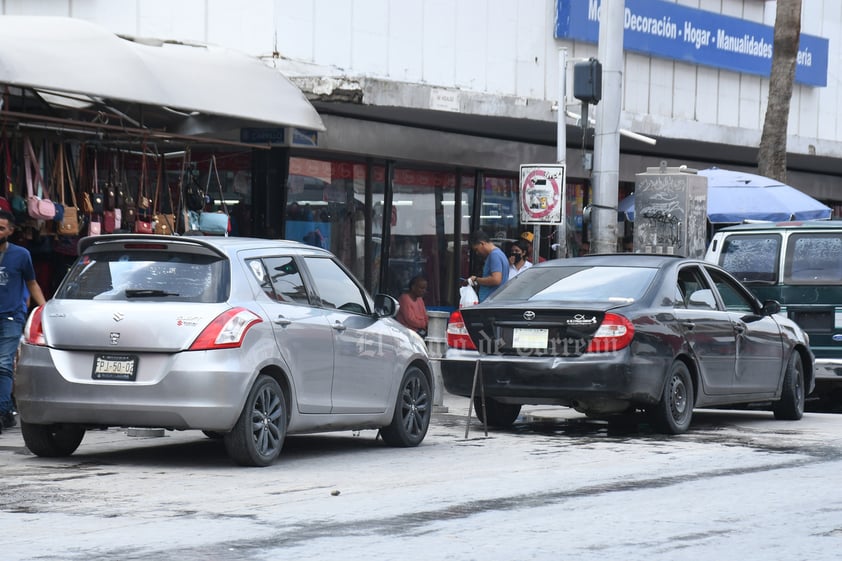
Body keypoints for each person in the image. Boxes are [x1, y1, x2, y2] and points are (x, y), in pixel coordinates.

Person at [0, 210, 46, 434]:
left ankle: (1, 412)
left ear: (10, 230)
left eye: (1, 228)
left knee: (3, 363)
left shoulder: (21, 255)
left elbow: (32, 283)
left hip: (11, 316)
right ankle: (6, 411)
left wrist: (45, 310)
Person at [468, 230, 509, 302]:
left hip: (490, 302)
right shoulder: (499, 254)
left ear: (482, 243)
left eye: (477, 249)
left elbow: (496, 280)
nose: (477, 253)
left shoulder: (494, 255)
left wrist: (476, 279)